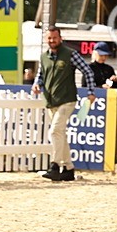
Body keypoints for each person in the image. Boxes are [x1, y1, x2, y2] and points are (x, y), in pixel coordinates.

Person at [32, 26, 96, 182]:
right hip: (50, 100)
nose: (52, 41)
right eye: (49, 38)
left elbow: (87, 71)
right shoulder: (43, 57)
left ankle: (54, 166)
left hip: (67, 100)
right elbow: (41, 75)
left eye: (54, 38)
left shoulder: (70, 54)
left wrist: (90, 92)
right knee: (60, 134)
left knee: (54, 131)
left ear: (60, 38)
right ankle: (68, 169)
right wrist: (36, 84)